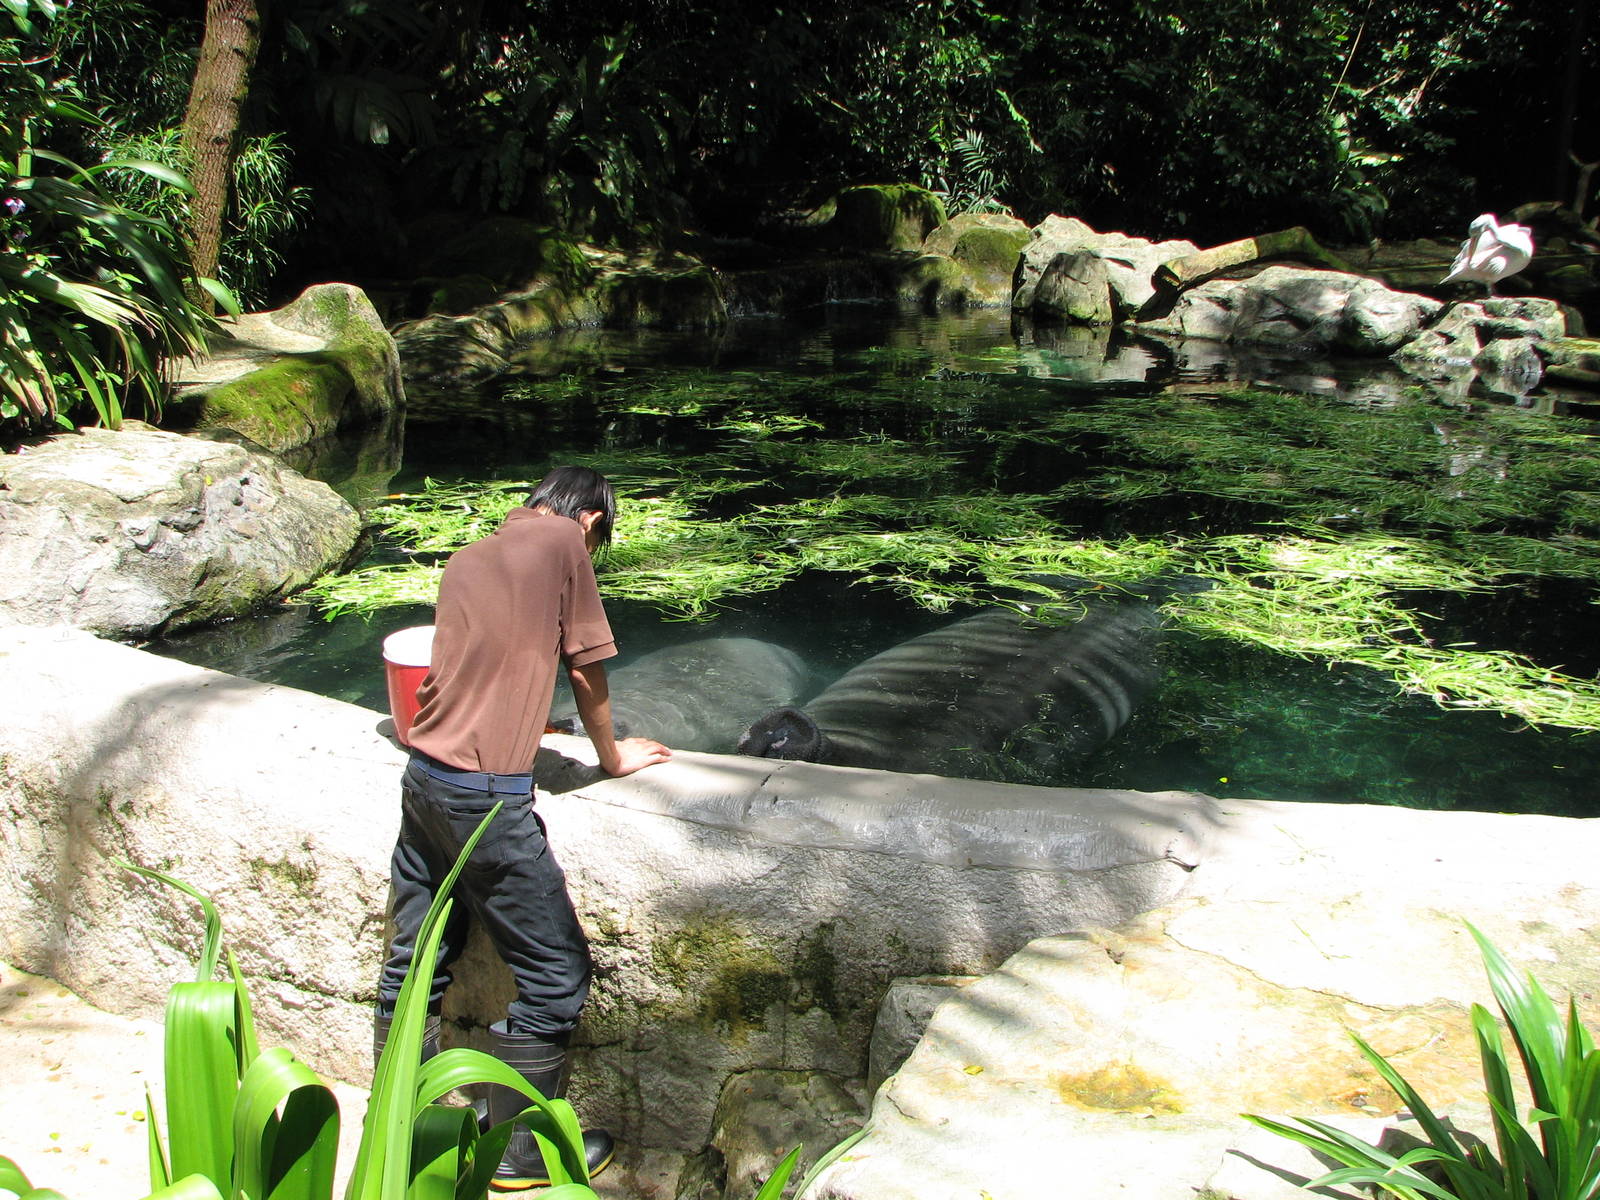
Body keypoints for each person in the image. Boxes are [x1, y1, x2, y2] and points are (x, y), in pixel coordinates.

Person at [373, 466, 671, 1191]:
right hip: (484, 800)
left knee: (413, 964)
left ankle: (397, 1122)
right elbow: (587, 667)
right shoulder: (566, 544)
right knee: (555, 973)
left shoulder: (471, 555)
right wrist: (611, 754)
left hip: (423, 781)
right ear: (591, 521)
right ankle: (517, 1154)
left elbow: (472, 665)